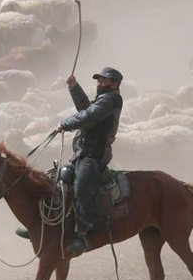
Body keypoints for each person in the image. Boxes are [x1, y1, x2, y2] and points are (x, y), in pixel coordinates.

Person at [15, 68, 125, 252]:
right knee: (57, 182)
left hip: (95, 155)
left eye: (103, 80)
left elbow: (89, 116)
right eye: (98, 80)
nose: (99, 83)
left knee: (82, 186)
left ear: (114, 84)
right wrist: (75, 88)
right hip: (83, 153)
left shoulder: (111, 100)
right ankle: (42, 225)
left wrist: (65, 124)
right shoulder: (103, 100)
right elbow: (86, 109)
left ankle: (86, 234)